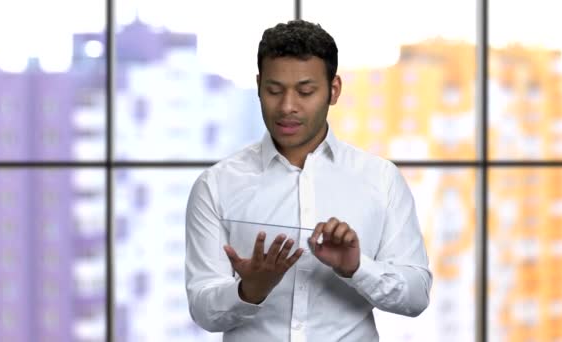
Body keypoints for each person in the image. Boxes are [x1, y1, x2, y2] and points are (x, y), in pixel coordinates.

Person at [185, 19, 432, 341]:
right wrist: (248, 291)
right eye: (274, 91)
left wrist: (358, 268)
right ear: (259, 87)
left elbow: (416, 297)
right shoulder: (215, 185)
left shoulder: (381, 179)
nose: (287, 107)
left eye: (305, 91)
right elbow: (203, 309)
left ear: (334, 90)